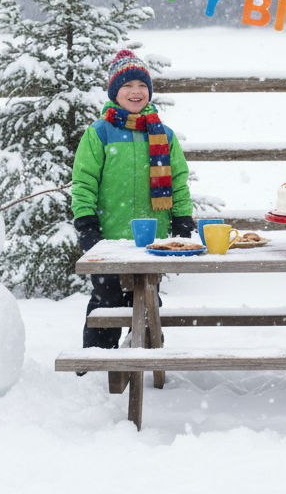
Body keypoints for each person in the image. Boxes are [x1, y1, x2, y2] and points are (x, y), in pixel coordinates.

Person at [72, 50, 195, 349]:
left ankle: (142, 355)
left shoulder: (163, 135)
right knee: (107, 300)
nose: (135, 92)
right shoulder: (99, 132)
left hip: (154, 239)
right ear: (115, 93)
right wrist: (86, 223)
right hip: (110, 237)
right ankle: (97, 364)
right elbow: (84, 180)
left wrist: (181, 220)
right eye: (127, 86)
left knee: (147, 297)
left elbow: (178, 181)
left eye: (141, 85)